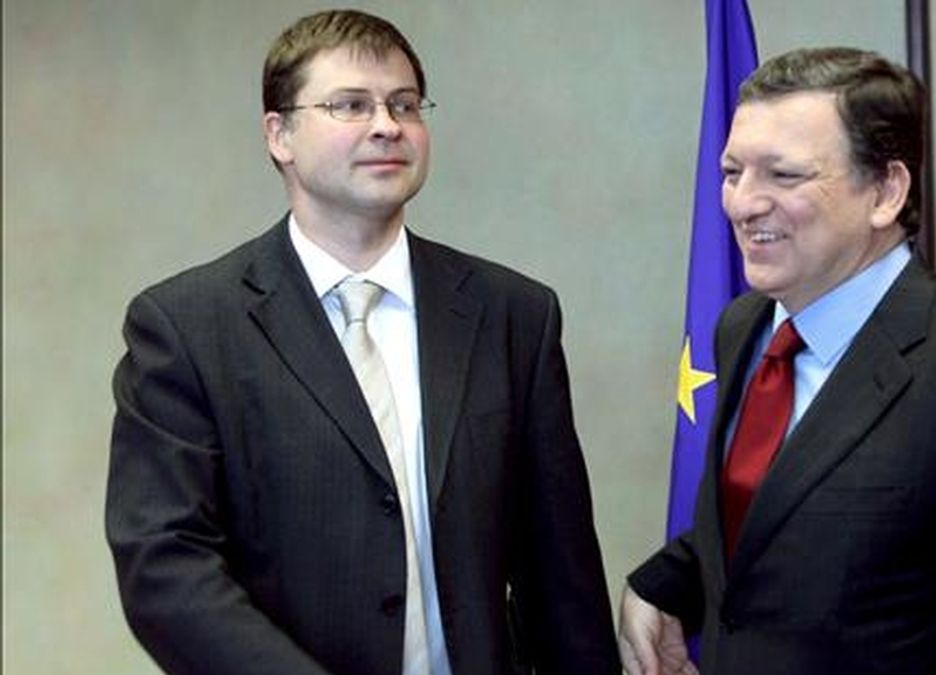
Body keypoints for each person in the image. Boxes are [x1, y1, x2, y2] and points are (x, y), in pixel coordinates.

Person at [106, 10, 619, 675]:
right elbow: (164, 566)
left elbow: (562, 572)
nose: (387, 125)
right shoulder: (188, 327)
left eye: (404, 104)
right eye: (351, 105)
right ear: (279, 133)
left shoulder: (513, 314)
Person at [619, 47, 936, 675]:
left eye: (783, 176)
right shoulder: (743, 330)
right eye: (733, 171)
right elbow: (782, 516)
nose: (742, 203)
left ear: (885, 191)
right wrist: (662, 583)